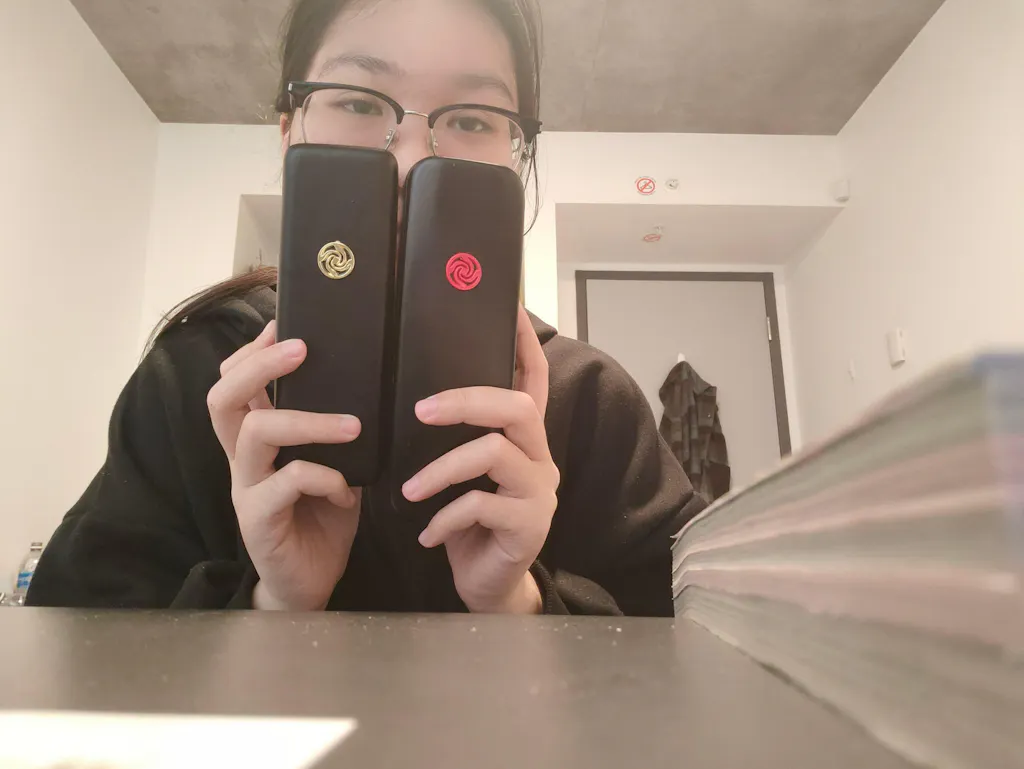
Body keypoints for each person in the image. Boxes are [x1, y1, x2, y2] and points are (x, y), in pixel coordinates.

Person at [27, 0, 704, 616]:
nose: (409, 159)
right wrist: (275, 602)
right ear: (289, 132)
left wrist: (517, 601)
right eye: (358, 102)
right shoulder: (197, 372)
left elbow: (696, 646)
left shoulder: (591, 398)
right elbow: (70, 651)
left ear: (515, 157)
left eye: (471, 120)